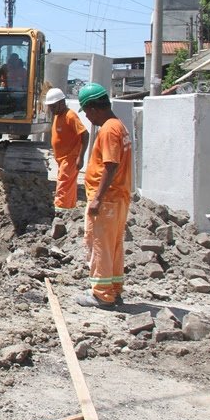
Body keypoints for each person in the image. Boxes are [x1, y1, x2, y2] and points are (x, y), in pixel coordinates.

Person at [76, 82, 132, 309]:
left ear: (93, 108)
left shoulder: (108, 129)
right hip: (118, 197)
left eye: (87, 112)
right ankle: (114, 289)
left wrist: (97, 198)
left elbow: (110, 165)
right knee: (113, 246)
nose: (88, 118)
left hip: (107, 199)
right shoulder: (119, 126)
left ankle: (101, 294)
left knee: (99, 245)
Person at [45, 87, 89, 212]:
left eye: (53, 106)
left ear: (61, 103)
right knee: (68, 186)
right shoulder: (58, 116)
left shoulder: (70, 116)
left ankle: (60, 212)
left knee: (63, 185)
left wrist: (81, 157)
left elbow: (85, 134)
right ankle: (69, 209)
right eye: (50, 107)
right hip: (62, 159)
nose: (51, 110)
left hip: (70, 158)